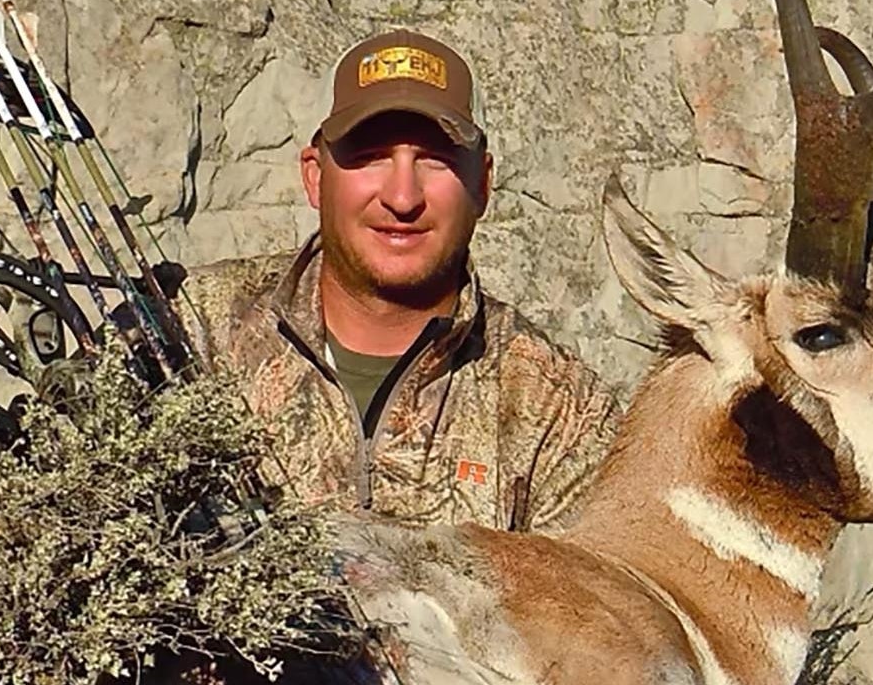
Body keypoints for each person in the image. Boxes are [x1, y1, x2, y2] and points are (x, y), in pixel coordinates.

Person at [178, 29, 620, 531]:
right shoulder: (192, 331)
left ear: (482, 184)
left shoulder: (562, 415)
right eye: (370, 157)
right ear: (315, 177)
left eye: (436, 159)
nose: (403, 198)